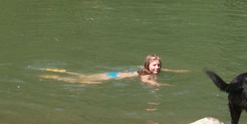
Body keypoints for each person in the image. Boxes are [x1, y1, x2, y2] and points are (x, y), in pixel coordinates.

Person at [41, 54, 175, 85]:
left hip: (112, 73)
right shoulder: (145, 75)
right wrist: (162, 84)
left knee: (83, 75)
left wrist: (178, 72)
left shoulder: (145, 70)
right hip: (110, 76)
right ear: (147, 66)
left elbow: (167, 70)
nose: (157, 68)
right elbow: (149, 82)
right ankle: (55, 77)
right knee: (79, 81)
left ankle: (61, 71)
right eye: (154, 65)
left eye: (158, 65)